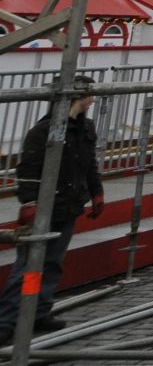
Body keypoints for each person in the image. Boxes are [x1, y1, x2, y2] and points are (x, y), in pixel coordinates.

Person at [0, 81, 103, 338]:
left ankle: (38, 312)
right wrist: (30, 203)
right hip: (47, 206)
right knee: (28, 266)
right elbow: (28, 171)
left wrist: (96, 192)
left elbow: (89, 164)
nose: (92, 101)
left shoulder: (85, 128)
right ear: (78, 97)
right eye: (90, 96)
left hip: (68, 205)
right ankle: (8, 320)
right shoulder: (43, 131)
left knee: (52, 263)